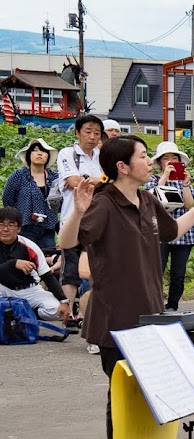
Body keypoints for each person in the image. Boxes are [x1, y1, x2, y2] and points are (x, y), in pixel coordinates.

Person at [59, 136, 194, 439]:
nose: (149, 162)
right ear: (123, 167)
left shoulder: (145, 199)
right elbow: (68, 242)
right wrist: (79, 211)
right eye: (143, 157)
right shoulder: (103, 203)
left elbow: (172, 231)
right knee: (123, 392)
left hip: (151, 316)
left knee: (152, 388)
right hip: (115, 317)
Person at [57, 113, 106, 326]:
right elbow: (74, 180)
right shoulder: (68, 153)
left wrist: (95, 180)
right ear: (77, 133)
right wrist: (102, 181)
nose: (93, 136)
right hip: (73, 220)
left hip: (98, 221)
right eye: (88, 131)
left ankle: (91, 317)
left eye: (97, 133)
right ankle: (67, 316)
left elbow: (112, 180)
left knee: (97, 270)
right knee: (70, 272)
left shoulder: (103, 156)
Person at [146, 142, 194, 312]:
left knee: (178, 274)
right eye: (166, 158)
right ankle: (154, 304)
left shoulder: (183, 180)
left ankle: (173, 305)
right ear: (160, 162)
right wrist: (164, 177)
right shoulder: (153, 180)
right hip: (159, 232)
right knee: (156, 271)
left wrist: (185, 184)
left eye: (174, 158)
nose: (170, 161)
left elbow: (189, 204)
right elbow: (151, 200)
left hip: (183, 232)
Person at [0, 207, 63, 319]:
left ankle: (26, 314)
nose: (5, 229)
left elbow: (47, 276)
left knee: (56, 310)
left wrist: (64, 301)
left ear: (19, 228)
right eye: (1, 224)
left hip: (28, 290)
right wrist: (13, 263)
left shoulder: (30, 246)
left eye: (10, 225)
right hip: (2, 288)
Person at [3, 138, 60, 252]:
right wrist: (18, 217)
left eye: (43, 151)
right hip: (25, 227)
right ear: (29, 155)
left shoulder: (55, 178)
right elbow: (7, 199)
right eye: (35, 150)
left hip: (48, 228)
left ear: (47, 156)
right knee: (26, 258)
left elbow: (61, 201)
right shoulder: (19, 175)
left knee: (47, 257)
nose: (39, 153)